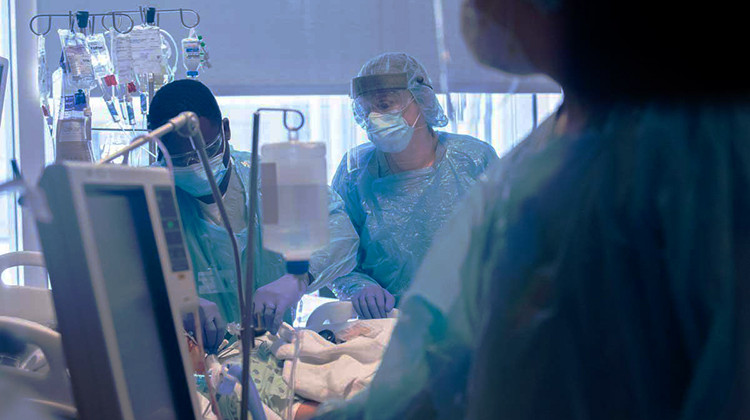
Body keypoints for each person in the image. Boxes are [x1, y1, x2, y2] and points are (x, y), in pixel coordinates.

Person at [314, 0, 750, 418]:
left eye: (386, 104)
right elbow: (453, 352)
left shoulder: (686, 147)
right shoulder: (550, 150)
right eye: (366, 107)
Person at [148, 80, 360, 338]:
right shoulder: (148, 196)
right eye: (180, 161)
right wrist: (172, 302)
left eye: (207, 151)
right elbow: (116, 278)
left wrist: (297, 277)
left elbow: (340, 233)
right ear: (157, 149)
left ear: (225, 130)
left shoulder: (271, 180)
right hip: (192, 356)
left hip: (270, 352)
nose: (196, 165)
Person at [329, 52, 499, 319]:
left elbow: (508, 243)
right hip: (386, 325)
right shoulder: (354, 172)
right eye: (366, 109)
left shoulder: (473, 159)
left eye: (385, 104)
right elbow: (335, 252)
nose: (374, 118)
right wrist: (360, 287)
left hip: (469, 320)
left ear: (422, 100)